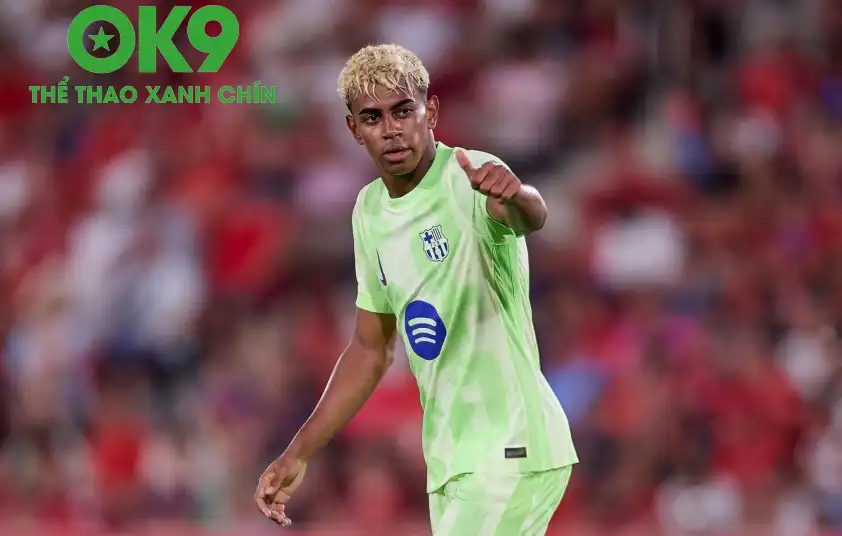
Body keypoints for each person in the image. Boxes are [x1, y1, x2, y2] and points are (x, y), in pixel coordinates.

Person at [254, 43, 578, 535]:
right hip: (451, 462)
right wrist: (298, 452)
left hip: (511, 447)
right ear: (354, 129)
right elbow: (371, 348)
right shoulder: (369, 211)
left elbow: (526, 215)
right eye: (373, 117)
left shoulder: (468, 173)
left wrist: (519, 195)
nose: (391, 128)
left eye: (403, 111)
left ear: (432, 112)